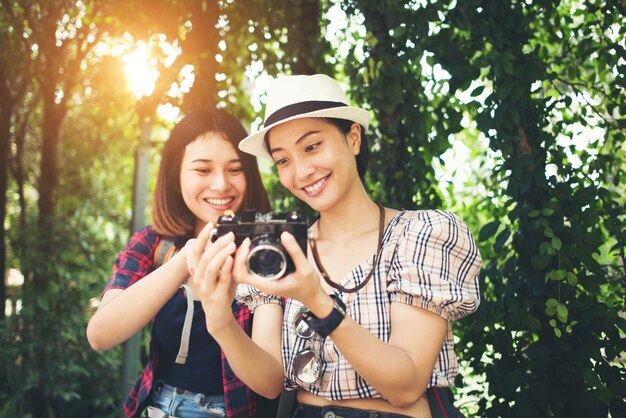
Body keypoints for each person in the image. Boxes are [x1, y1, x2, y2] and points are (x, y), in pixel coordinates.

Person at [192, 74, 482, 418]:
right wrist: (219, 321)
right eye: (283, 160)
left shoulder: (421, 234)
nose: (300, 171)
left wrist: (317, 301)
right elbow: (270, 381)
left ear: (353, 138)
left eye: (312, 146)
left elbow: (406, 385)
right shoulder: (284, 250)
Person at [86, 108, 279, 418]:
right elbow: (100, 334)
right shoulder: (151, 244)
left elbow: (270, 384)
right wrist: (182, 262)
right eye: (203, 170)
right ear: (177, 176)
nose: (220, 185)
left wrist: (221, 321)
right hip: (154, 406)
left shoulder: (267, 251)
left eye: (235, 169)